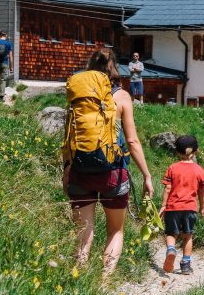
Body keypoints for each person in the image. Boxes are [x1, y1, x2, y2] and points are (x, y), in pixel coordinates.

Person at [64, 48, 154, 278]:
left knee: (84, 232)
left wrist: (66, 169)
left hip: (80, 169)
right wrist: (147, 175)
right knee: (115, 230)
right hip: (113, 172)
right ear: (113, 67)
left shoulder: (78, 95)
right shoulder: (122, 96)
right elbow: (132, 141)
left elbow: (68, 136)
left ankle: (79, 281)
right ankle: (104, 284)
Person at [160, 135, 204, 275]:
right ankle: (186, 265)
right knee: (187, 236)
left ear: (177, 152)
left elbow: (167, 188)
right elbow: (201, 191)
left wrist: (163, 205)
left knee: (171, 233)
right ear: (196, 151)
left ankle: (171, 249)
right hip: (190, 208)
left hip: (173, 207)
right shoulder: (199, 170)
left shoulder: (172, 168)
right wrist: (202, 207)